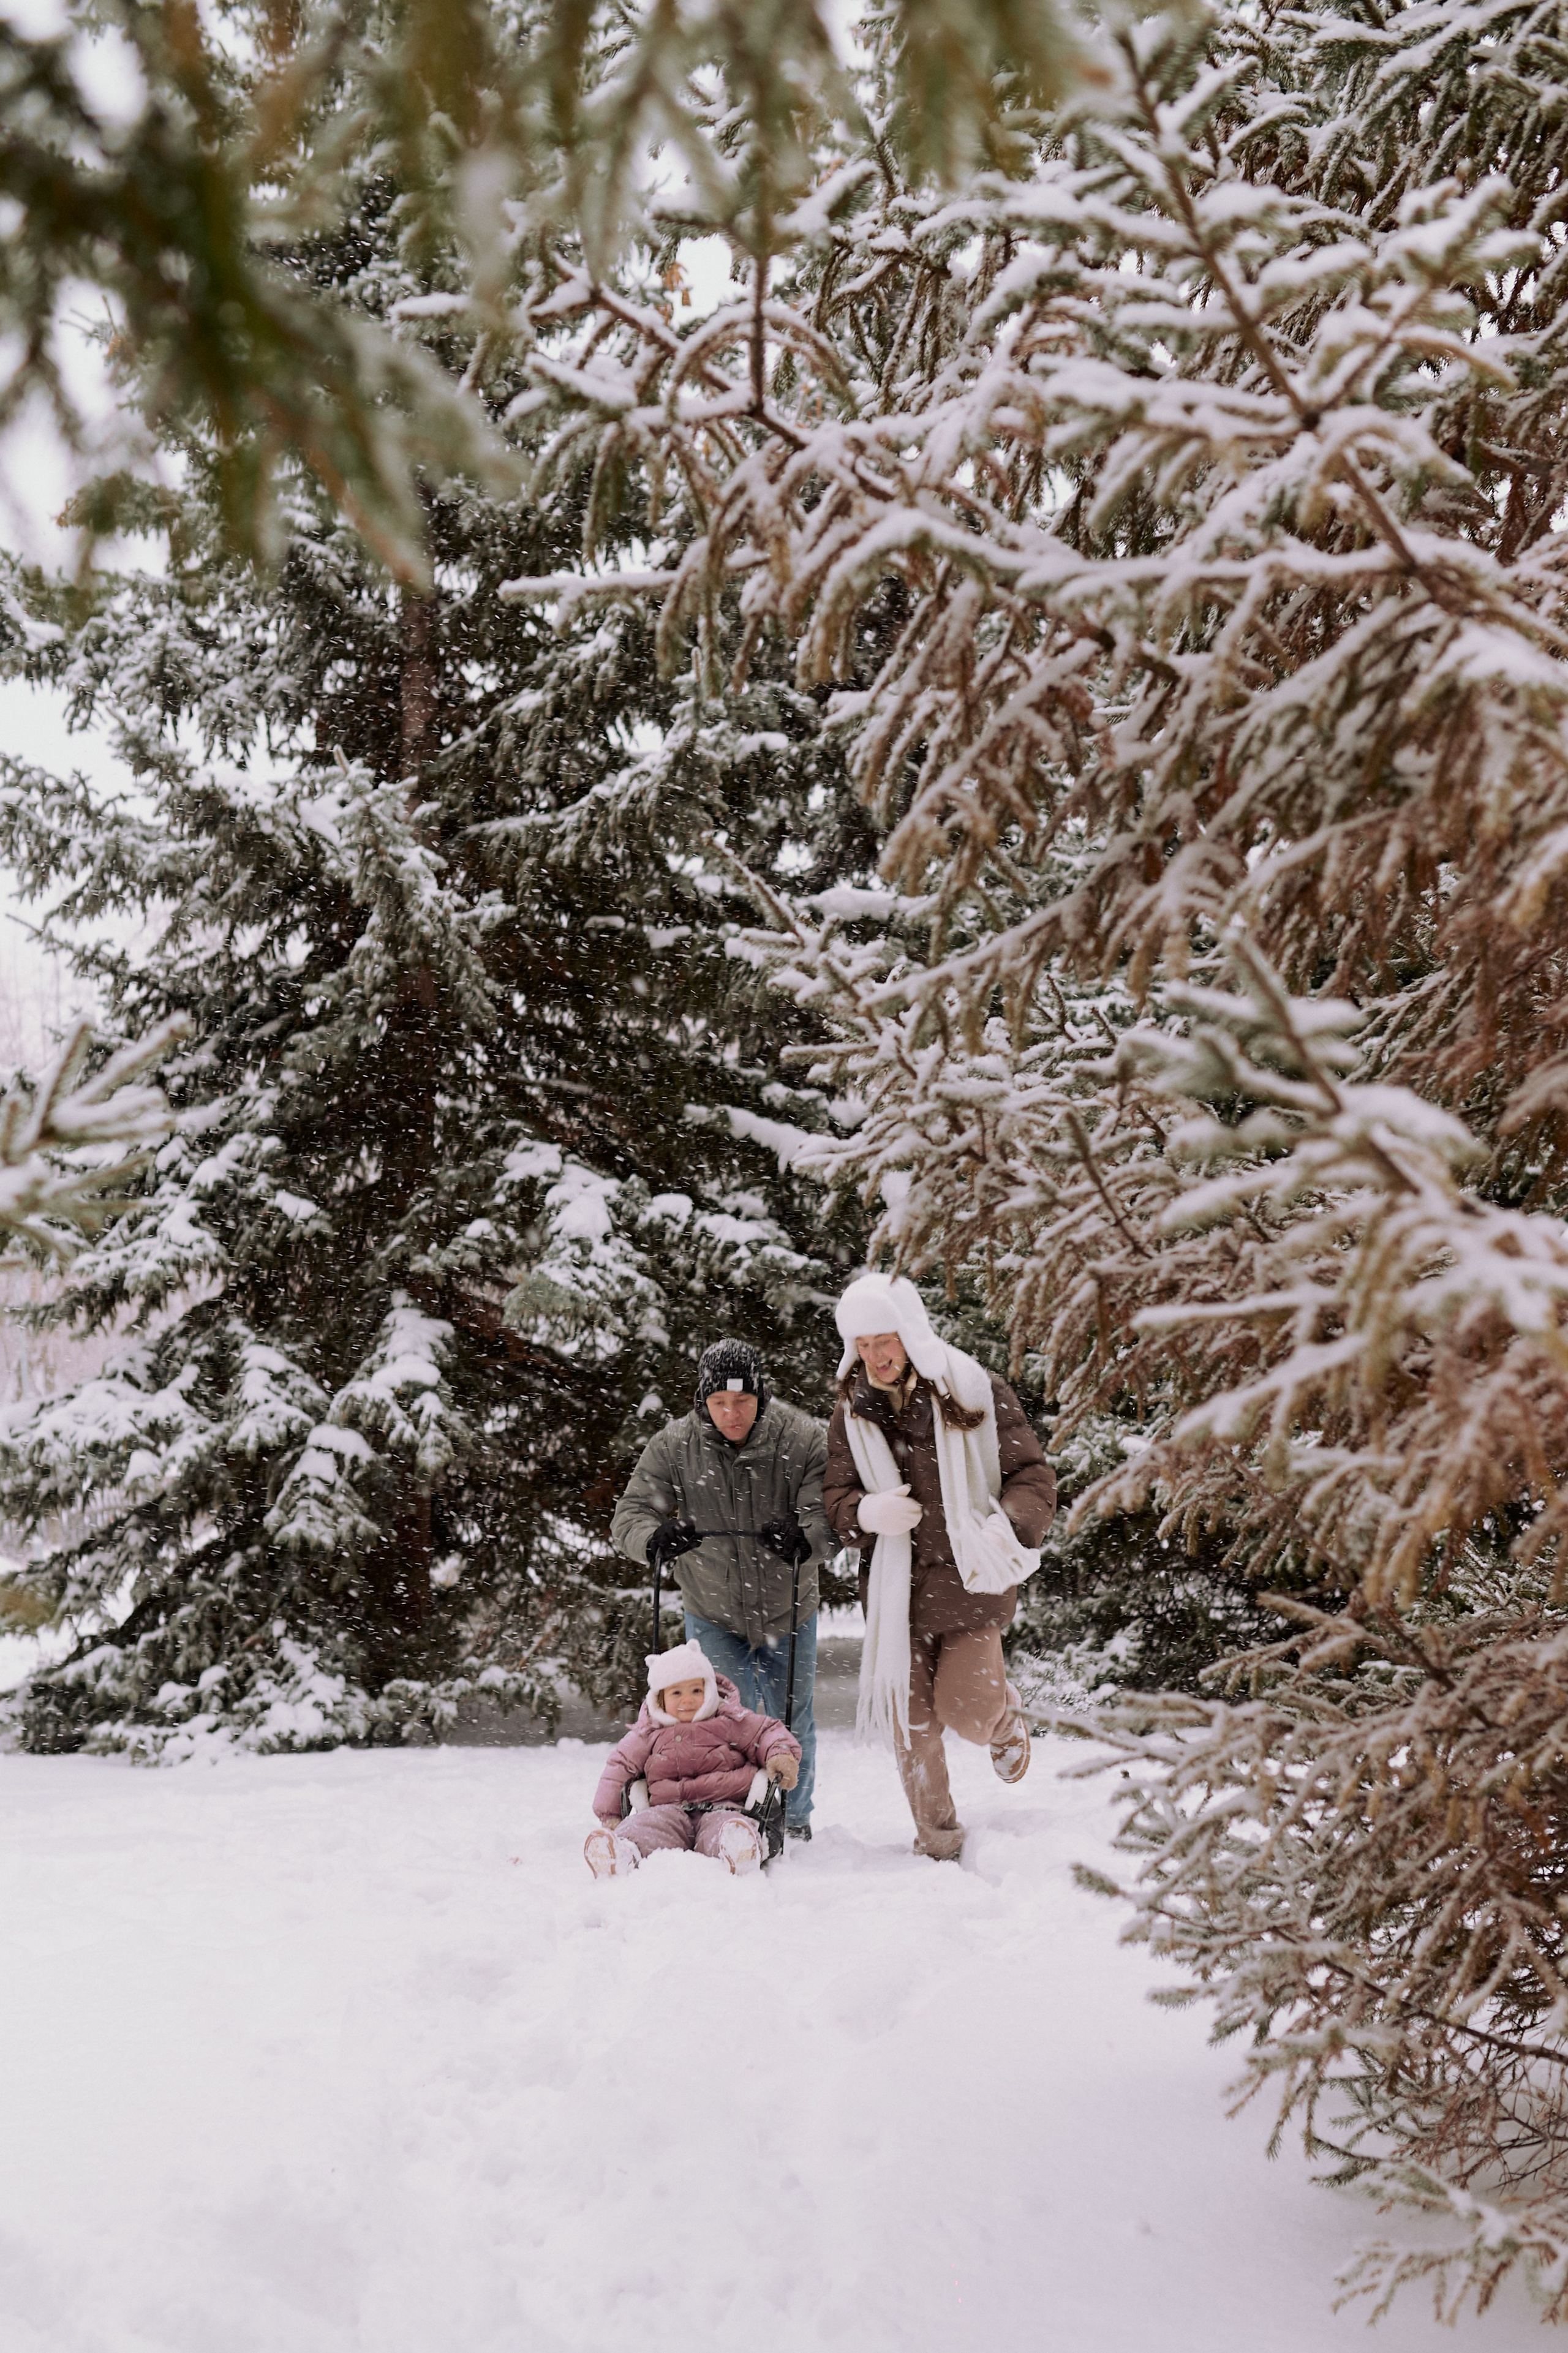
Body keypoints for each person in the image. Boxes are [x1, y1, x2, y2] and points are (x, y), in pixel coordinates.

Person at [823, 1272, 1056, 1863]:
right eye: (864, 1346)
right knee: (912, 1725)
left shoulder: (974, 1389)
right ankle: (939, 1841)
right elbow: (835, 1499)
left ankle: (1005, 1719)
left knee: (969, 1715)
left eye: (886, 1341)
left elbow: (1032, 1476)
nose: (876, 1357)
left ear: (910, 1334)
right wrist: (865, 1512)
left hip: (970, 1578)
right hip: (896, 1593)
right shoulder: (853, 1414)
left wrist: (1009, 1525)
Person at [611, 1338, 830, 1838]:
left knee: (791, 1718)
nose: (733, 1413)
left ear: (763, 1398)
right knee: (715, 1721)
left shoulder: (802, 1439)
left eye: (745, 1402)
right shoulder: (673, 1445)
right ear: (702, 1403)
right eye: (720, 1403)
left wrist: (806, 1540)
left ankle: (792, 1821)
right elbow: (631, 1514)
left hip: (789, 1605)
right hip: (712, 1608)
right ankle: (730, 1817)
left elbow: (827, 1518)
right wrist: (655, 1538)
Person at [584, 1640, 801, 1878]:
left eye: (696, 1691)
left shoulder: (729, 1720)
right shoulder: (648, 1733)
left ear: (709, 1690)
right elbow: (619, 1766)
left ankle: (737, 1851)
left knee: (725, 1829)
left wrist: (779, 1754)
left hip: (725, 1804)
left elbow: (766, 1731)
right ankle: (623, 1853)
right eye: (677, 1693)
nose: (687, 1700)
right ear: (660, 1698)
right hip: (669, 1809)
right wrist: (610, 1814)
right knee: (647, 1828)